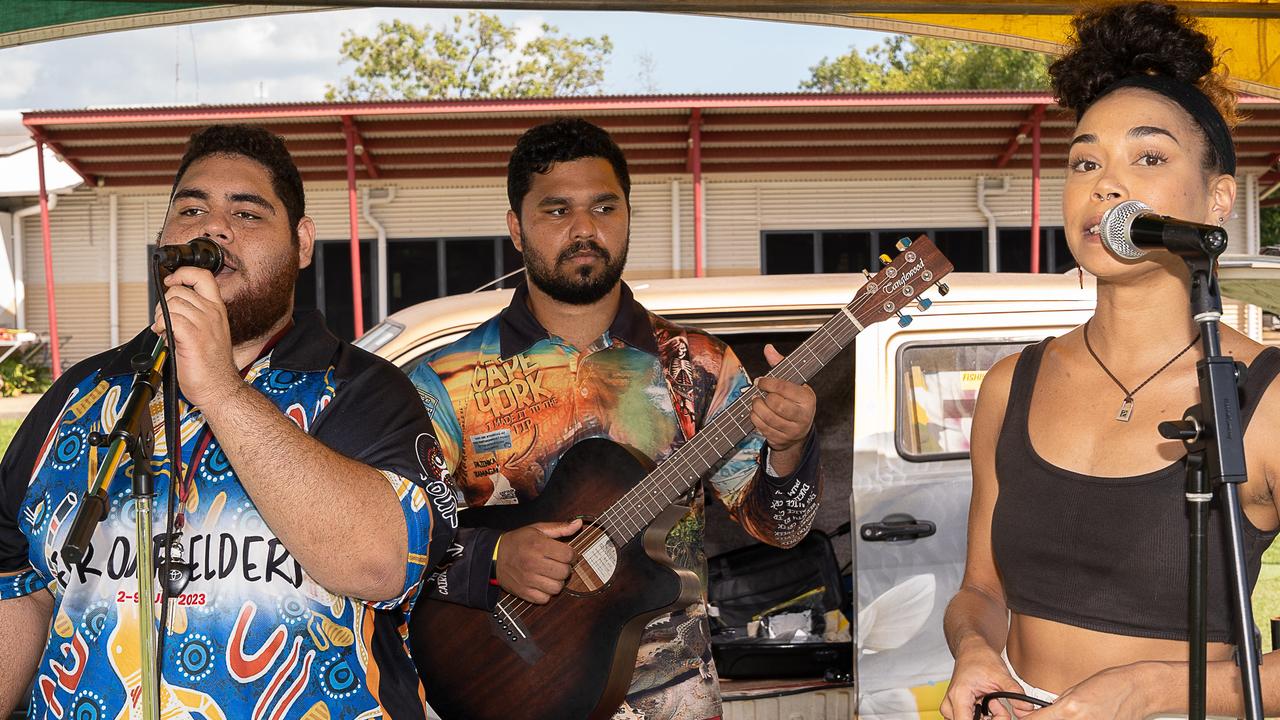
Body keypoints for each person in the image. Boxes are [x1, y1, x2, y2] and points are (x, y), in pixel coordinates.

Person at [0, 125, 457, 719]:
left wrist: (219, 387)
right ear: (164, 239)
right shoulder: (78, 398)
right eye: (190, 208)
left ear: (302, 243)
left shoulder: (363, 391)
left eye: (246, 213)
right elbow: (19, 583)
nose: (212, 227)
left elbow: (382, 565)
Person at [410, 118, 822, 719]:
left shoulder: (697, 366)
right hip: (499, 688)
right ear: (516, 231)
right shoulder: (447, 382)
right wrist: (493, 558)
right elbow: (394, 547)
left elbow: (783, 530)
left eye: (604, 207)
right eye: (556, 211)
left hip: (672, 699)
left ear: (629, 214)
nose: (584, 230)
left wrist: (789, 447)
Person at [940, 2, 1280, 719]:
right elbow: (981, 591)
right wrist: (976, 651)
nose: (1104, 184)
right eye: (1084, 161)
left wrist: (1150, 688)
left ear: (1218, 198)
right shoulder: (1011, 384)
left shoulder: (1266, 397)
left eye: (1148, 158)